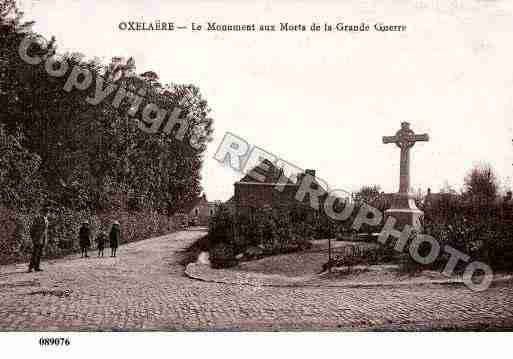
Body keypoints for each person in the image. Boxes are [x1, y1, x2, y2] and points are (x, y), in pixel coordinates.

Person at [28, 207, 49, 272]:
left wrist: (45, 239)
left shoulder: (46, 220)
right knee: (35, 253)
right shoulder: (37, 219)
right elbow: (32, 229)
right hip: (37, 238)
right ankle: (30, 267)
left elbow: (45, 230)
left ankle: (37, 267)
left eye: (47, 212)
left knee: (40, 253)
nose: (46, 213)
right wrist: (33, 238)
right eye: (45, 212)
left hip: (43, 238)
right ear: (42, 212)